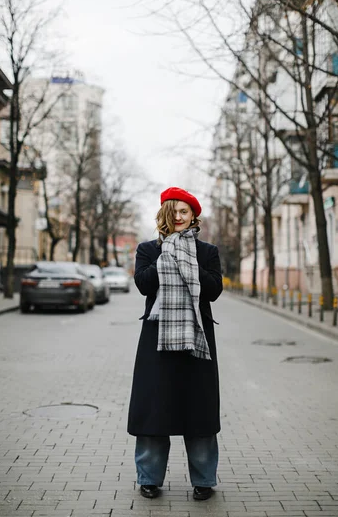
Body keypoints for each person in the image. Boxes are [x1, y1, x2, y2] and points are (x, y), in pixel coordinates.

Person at [128, 187, 223, 501]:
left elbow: (213, 291)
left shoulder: (207, 251)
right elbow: (143, 284)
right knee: (154, 410)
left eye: (184, 212)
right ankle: (150, 479)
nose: (179, 217)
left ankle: (204, 481)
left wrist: (189, 262)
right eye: (173, 212)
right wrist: (168, 256)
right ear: (165, 216)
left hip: (197, 341)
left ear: (193, 215)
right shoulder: (148, 249)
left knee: (199, 412)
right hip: (157, 340)